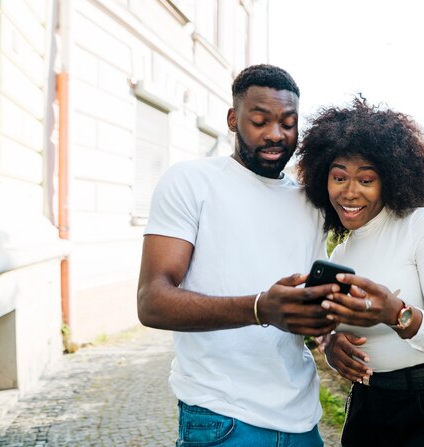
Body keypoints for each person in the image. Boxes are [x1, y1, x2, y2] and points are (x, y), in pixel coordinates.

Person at [137, 64, 338, 447]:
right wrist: (260, 308)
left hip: (303, 422)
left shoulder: (309, 202)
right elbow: (152, 301)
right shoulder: (190, 182)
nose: (275, 134)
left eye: (288, 123)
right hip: (221, 419)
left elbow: (307, 306)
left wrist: (331, 339)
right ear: (233, 119)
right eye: (260, 121)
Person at [297, 97, 424, 446]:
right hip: (370, 408)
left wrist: (395, 313)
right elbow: (334, 330)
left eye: (366, 179)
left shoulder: (423, 226)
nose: (349, 191)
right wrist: (331, 346)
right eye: (338, 177)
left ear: (389, 179)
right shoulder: (341, 253)